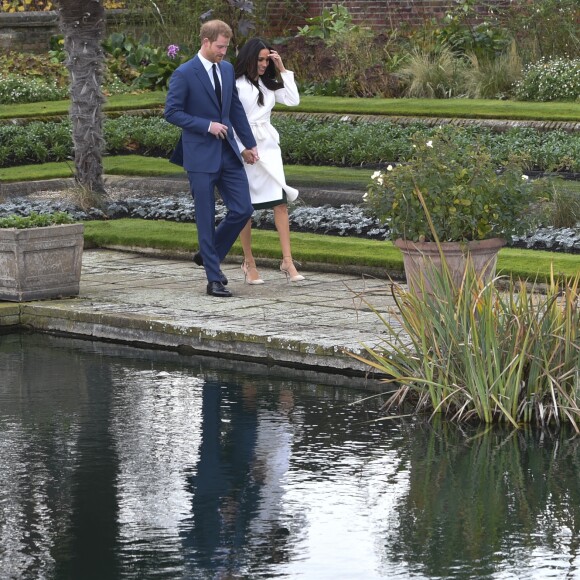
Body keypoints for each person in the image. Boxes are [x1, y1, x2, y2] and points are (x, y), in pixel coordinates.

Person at [164, 20, 259, 298]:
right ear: (205, 42)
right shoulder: (184, 73)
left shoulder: (227, 69)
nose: (223, 52)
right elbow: (172, 112)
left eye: (226, 47)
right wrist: (207, 125)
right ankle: (213, 278)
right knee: (205, 218)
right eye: (220, 47)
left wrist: (248, 144)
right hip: (199, 156)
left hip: (229, 153)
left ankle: (209, 254)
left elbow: (235, 109)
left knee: (243, 209)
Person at [233, 38, 304, 284]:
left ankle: (287, 261)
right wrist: (243, 149)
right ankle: (249, 262)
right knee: (245, 209)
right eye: (260, 59)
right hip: (247, 148)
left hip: (269, 148)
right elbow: (232, 119)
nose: (263, 64)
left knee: (281, 203)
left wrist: (282, 68)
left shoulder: (268, 84)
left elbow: (293, 100)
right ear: (250, 58)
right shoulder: (237, 85)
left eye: (266, 59)